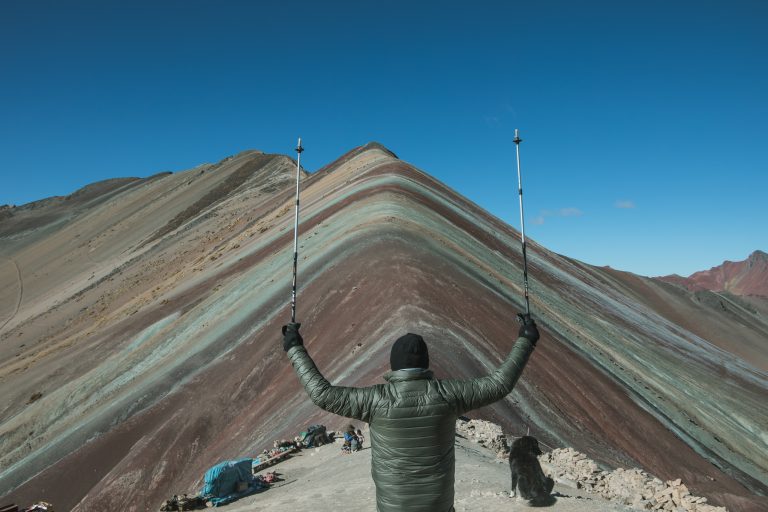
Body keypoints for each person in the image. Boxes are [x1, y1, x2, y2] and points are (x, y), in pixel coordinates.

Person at [282, 314, 539, 512]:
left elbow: (322, 394)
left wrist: (295, 348)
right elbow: (499, 384)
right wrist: (526, 339)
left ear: (394, 365)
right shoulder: (448, 395)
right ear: (425, 363)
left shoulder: (374, 401)